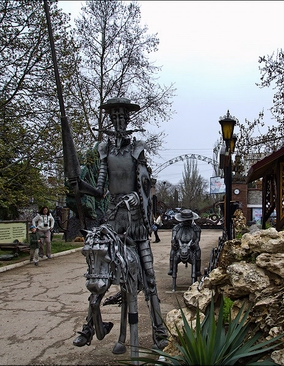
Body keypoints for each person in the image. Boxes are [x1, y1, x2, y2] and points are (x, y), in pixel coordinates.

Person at [71, 98, 168, 350]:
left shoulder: (138, 149)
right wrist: (79, 186)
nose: (119, 121)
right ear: (110, 121)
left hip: (136, 223)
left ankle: (160, 333)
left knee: (148, 277)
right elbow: (100, 189)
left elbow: (145, 185)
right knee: (101, 270)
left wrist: (136, 196)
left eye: (123, 117)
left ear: (128, 120)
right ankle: (90, 327)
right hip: (114, 220)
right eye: (114, 117)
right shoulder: (104, 149)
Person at [169, 209, 202, 277]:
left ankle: (197, 270)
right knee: (172, 252)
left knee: (198, 252)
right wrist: (173, 243)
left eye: (189, 220)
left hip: (192, 246)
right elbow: (173, 238)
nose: (187, 222)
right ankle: (172, 268)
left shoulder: (196, 228)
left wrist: (195, 243)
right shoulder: (176, 227)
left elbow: (198, 238)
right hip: (179, 246)